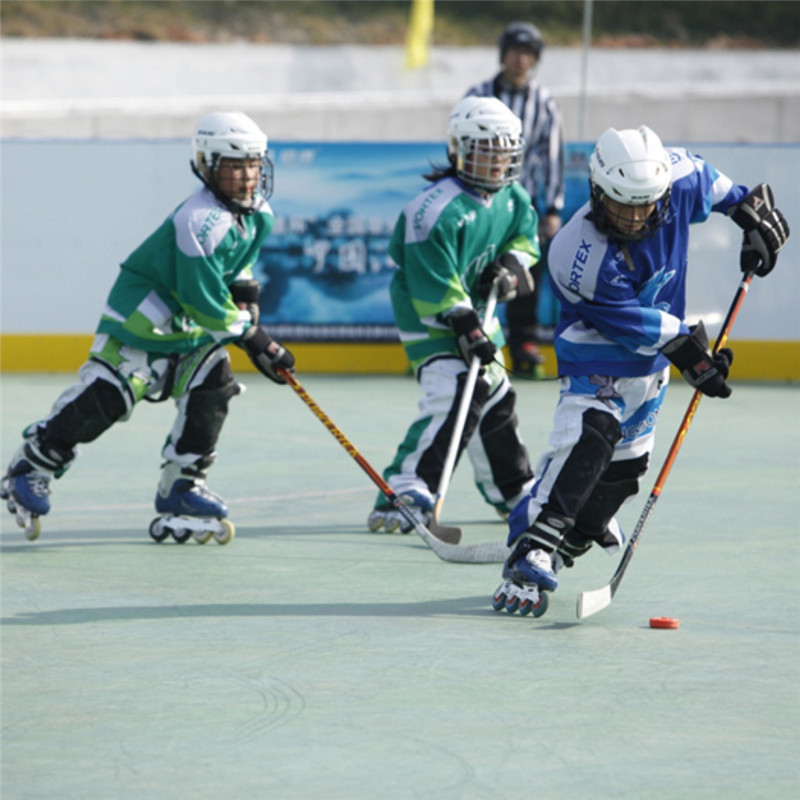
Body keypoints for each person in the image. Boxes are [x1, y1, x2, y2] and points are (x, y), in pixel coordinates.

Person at [492, 125, 790, 617]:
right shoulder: (577, 252)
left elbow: (715, 184)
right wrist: (697, 358)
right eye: (620, 205)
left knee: (625, 475)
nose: (633, 218)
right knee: (594, 433)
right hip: (598, 354)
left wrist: (746, 212)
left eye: (644, 205)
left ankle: (571, 543)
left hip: (651, 365)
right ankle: (532, 543)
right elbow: (636, 324)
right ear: (596, 190)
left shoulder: (675, 178)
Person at [1, 111, 296, 544]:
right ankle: (34, 461)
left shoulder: (258, 213)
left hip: (193, 329)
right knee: (108, 399)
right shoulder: (197, 221)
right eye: (235, 166)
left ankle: (182, 485)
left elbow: (236, 263)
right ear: (208, 166)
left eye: (253, 164)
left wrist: (247, 296)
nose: (248, 176)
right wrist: (257, 340)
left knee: (214, 386)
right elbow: (202, 299)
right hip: (146, 319)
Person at [366, 96, 540, 534]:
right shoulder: (433, 210)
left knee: (496, 398)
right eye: (485, 149)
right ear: (458, 150)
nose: (496, 160)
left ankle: (513, 489)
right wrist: (464, 324)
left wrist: (513, 266)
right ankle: (406, 487)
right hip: (430, 320)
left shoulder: (513, 197)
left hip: (482, 318)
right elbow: (431, 280)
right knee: (454, 392)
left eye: (504, 151)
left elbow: (526, 238)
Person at [464, 21, 565, 379]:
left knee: (523, 268)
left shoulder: (544, 103)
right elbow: (460, 144)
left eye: (528, 54)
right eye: (515, 52)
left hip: (524, 205)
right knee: (471, 264)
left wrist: (551, 209)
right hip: (477, 198)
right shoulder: (477, 94)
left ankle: (523, 341)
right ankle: (460, 333)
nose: (521, 60)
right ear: (502, 54)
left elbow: (552, 157)